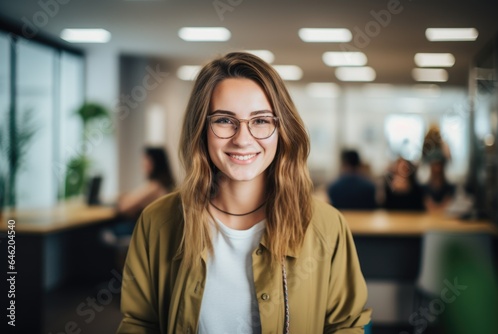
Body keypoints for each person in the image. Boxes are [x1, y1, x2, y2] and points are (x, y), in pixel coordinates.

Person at [116, 52, 371, 333]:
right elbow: (139, 323)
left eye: (261, 120)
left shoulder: (326, 225)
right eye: (225, 120)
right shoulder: (159, 221)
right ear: (201, 128)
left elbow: (346, 325)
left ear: (281, 129)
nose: (242, 139)